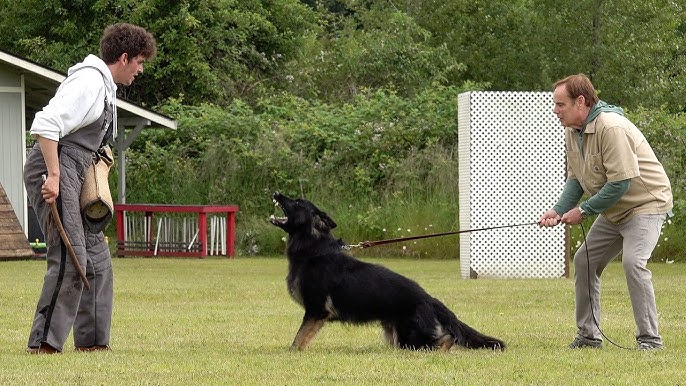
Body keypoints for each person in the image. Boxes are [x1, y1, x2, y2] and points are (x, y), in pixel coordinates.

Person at [24, 23, 156, 354]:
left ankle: (93, 343)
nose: (140, 70)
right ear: (124, 58)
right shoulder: (88, 82)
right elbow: (45, 124)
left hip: (75, 170)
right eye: (139, 62)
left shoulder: (103, 86)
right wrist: (53, 176)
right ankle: (44, 344)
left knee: (96, 258)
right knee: (71, 256)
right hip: (54, 167)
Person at [538, 74, 673, 350]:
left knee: (633, 262)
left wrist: (584, 210)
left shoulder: (611, 128)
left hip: (646, 204)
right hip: (614, 210)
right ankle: (588, 337)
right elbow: (575, 180)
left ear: (580, 101)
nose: (555, 110)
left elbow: (621, 183)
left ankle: (650, 340)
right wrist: (557, 210)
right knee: (584, 261)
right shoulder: (572, 133)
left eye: (560, 104)